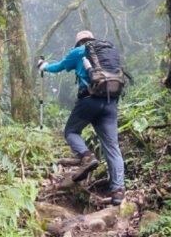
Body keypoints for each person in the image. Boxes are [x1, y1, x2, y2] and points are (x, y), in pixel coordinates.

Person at [38, 30, 125, 205]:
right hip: (110, 102)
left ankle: (87, 157)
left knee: (71, 131)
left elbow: (59, 66)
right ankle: (118, 192)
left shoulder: (79, 51)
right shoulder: (108, 51)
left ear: (79, 42)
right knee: (112, 148)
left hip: (89, 100)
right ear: (93, 39)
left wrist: (43, 66)